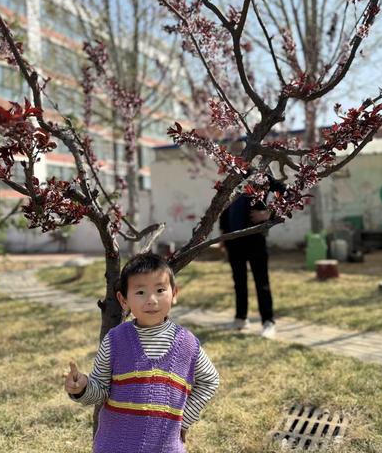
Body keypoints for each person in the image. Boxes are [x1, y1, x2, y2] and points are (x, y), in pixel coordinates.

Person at [64, 253, 219, 453]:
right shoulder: (115, 340)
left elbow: (210, 380)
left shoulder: (187, 343)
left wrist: (184, 419)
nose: (151, 300)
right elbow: (100, 390)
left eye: (160, 290)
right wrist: (82, 388)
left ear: (174, 294)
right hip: (115, 445)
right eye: (140, 292)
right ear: (123, 300)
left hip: (164, 446)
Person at [219, 175, 286, 339]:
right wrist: (222, 236)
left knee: (261, 281)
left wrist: (268, 214)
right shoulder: (231, 178)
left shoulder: (260, 177)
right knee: (239, 281)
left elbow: (287, 192)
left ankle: (268, 322)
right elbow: (223, 207)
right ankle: (241, 318)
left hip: (255, 239)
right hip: (233, 240)